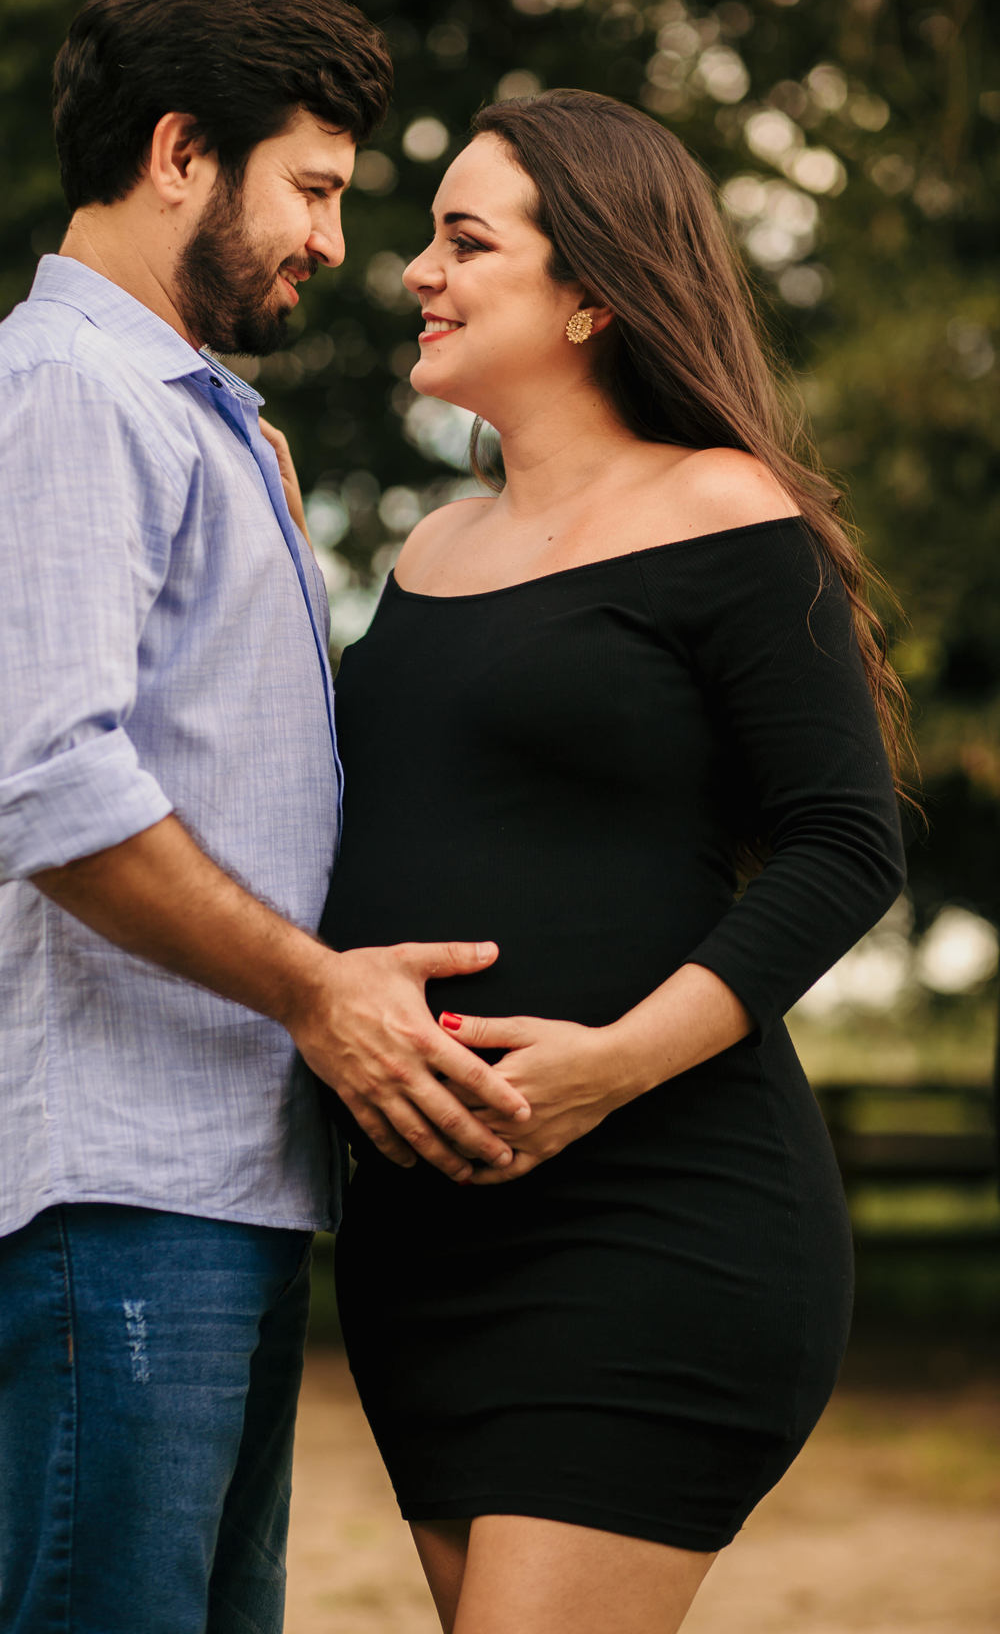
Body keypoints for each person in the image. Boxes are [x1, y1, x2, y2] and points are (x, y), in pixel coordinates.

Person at [0, 0, 531, 1634]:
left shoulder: (189, 419)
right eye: (311, 189)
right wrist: (320, 993)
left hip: (198, 1178)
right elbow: (48, 784)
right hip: (102, 1179)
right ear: (180, 154)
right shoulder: (65, 399)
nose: (335, 242)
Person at [319, 89, 910, 1634]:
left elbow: (848, 844)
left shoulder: (722, 509)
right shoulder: (428, 552)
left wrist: (610, 1067)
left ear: (590, 293)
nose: (416, 271)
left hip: (655, 1210)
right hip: (425, 1240)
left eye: (465, 241)